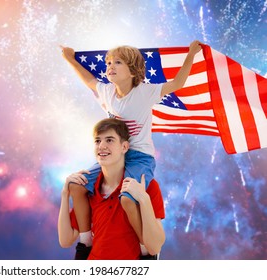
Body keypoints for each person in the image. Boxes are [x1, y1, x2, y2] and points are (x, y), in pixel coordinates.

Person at [60, 41, 201, 248]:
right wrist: (70, 59)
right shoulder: (107, 91)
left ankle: (145, 247)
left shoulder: (145, 92)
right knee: (76, 186)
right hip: (115, 157)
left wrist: (190, 55)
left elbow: (177, 84)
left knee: (127, 198)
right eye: (108, 63)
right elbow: (89, 79)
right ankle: (85, 240)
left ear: (133, 71)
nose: (110, 66)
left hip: (139, 157)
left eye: (117, 62)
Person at [58, 118, 165, 259]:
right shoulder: (88, 188)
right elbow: (66, 241)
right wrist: (65, 194)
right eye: (97, 141)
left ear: (124, 147)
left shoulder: (147, 185)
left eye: (109, 140)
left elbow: (154, 247)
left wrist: (143, 199)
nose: (101, 146)